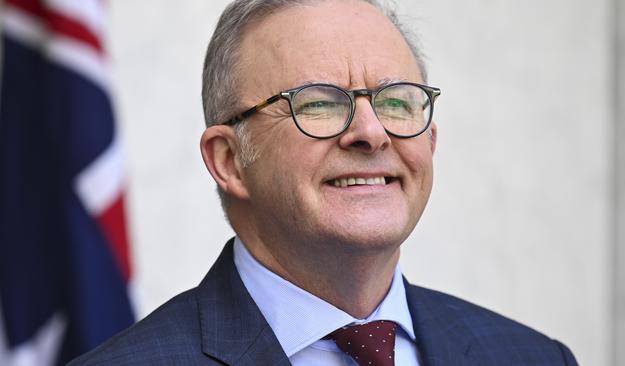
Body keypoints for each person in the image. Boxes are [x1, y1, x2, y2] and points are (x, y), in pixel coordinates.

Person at [69, 0, 579, 365]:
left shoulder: (532, 356)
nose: (371, 133)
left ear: (431, 144)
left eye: (397, 101)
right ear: (229, 160)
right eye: (318, 101)